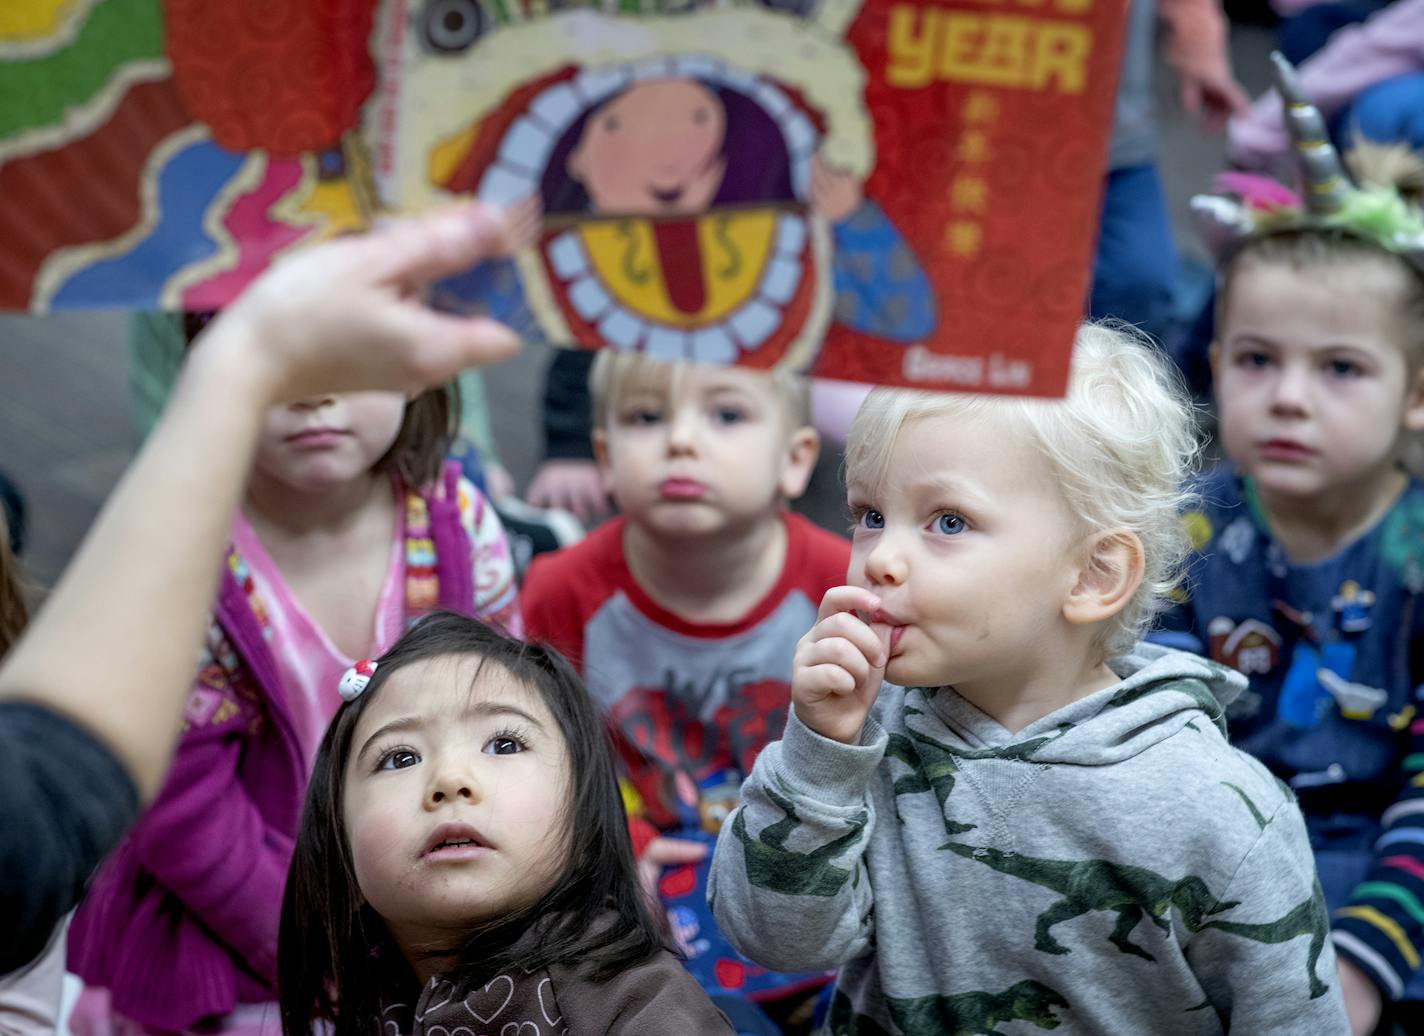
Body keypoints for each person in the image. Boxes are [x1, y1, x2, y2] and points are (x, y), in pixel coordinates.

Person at [707, 322, 1349, 1034]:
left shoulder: (1217, 810)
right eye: (871, 514)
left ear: (1093, 575)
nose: (881, 557)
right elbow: (772, 941)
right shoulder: (862, 732)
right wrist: (818, 758)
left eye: (948, 522)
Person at [0, 202, 523, 978]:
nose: (316, 395)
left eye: (348, 360)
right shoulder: (186, 564)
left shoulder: (463, 523)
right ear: (205, 361)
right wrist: (311, 945)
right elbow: (184, 809)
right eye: (286, 362)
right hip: (255, 932)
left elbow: (510, 714)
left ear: (420, 364)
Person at [1164, 57, 1424, 1036]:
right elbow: (1151, 725)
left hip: (1379, 876)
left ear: (1414, 394)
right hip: (1204, 857)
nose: (1285, 395)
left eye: (1339, 368)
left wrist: (1357, 963)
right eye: (1255, 358)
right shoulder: (1187, 524)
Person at [521, 351, 848, 1027]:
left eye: (726, 414)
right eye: (646, 416)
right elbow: (544, 756)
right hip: (639, 894)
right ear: (605, 457)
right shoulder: (560, 591)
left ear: (795, 458)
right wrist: (618, 846)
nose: (680, 440)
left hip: (817, 877)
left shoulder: (842, 584)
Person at [277, 610, 734, 1036]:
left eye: (504, 744)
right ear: (338, 839)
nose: (451, 780)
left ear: (585, 812)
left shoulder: (636, 1004)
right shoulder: (363, 1001)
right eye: (401, 757)